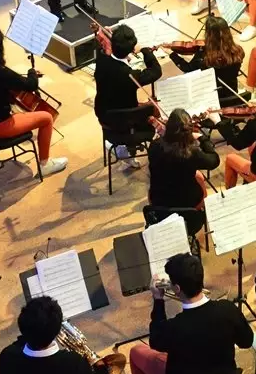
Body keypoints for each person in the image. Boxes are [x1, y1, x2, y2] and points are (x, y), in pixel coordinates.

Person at [131, 253, 254, 374]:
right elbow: (247, 341)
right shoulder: (228, 310)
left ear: (177, 288)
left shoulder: (173, 328)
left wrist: (158, 301)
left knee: (136, 352)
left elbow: (156, 341)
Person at [0, 27, 69, 176]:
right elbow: (31, 85)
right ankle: (45, 164)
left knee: (13, 108)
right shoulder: (0, 73)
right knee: (47, 118)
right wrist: (32, 73)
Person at [93, 24, 163, 157]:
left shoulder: (101, 60)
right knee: (157, 111)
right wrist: (146, 51)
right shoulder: (130, 76)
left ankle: (121, 148)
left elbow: (102, 47)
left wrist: (103, 34)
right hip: (128, 123)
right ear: (131, 49)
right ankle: (125, 147)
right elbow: (156, 71)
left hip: (104, 117)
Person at [147, 108, 219, 235]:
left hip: (159, 208)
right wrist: (203, 139)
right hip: (190, 215)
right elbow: (214, 161)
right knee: (199, 176)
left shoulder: (154, 146)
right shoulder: (193, 153)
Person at [167, 15, 245, 107]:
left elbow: (187, 68)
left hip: (211, 96)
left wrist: (171, 54)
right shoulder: (238, 51)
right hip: (231, 92)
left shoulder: (204, 57)